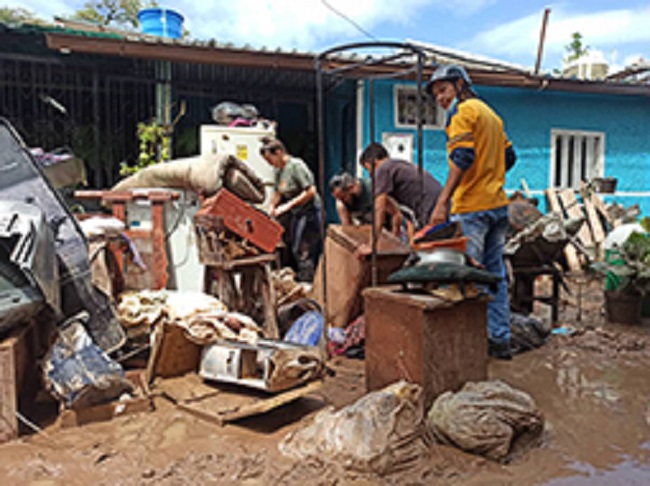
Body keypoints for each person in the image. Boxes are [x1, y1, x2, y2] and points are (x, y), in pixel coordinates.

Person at [426, 64, 517, 360]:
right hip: (498, 206)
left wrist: (442, 202)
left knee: (468, 277)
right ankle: (499, 341)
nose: (440, 98)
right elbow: (509, 156)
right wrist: (490, 176)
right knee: (495, 276)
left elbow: (462, 157)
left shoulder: (462, 112)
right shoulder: (492, 115)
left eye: (444, 90)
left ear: (460, 85)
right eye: (436, 94)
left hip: (472, 208)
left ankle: (470, 346)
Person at [261, 138, 322, 281]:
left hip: (309, 211)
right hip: (296, 213)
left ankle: (310, 285)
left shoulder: (296, 166)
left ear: (279, 152)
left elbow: (310, 191)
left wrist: (287, 206)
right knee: (293, 247)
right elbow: (277, 192)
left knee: (304, 250)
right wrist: (271, 207)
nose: (270, 164)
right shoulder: (278, 171)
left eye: (271, 160)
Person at [359, 143, 443, 236]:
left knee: (432, 244)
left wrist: (372, 244)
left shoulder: (383, 169)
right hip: (438, 202)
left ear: (372, 161)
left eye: (368, 169)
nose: (370, 175)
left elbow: (379, 208)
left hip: (431, 207)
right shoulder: (397, 165)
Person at [328, 172, 405, 236]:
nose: (341, 201)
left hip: (392, 229)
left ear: (351, 188)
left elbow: (396, 215)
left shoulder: (374, 191)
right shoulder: (341, 203)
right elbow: (349, 229)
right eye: (338, 199)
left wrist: (394, 238)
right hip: (371, 232)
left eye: (344, 197)